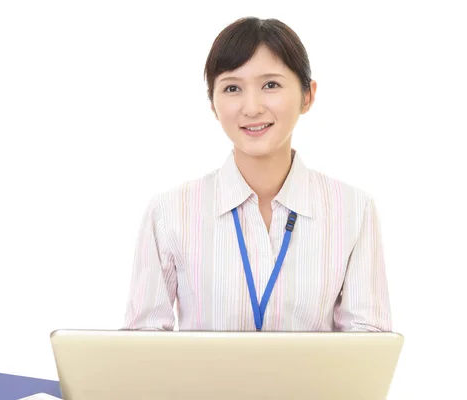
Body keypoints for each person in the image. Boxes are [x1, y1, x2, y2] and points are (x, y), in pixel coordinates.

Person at [122, 16, 392, 332]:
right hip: (202, 384)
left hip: (311, 385)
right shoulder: (170, 211)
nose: (251, 107)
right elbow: (142, 341)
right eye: (232, 88)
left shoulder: (352, 210)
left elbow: (367, 342)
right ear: (213, 103)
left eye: (271, 85)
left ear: (308, 96)